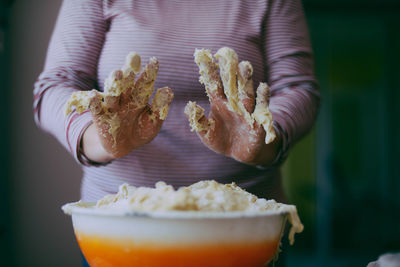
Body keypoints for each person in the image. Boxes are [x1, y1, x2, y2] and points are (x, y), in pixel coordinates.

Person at [34, 0, 318, 255]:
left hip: (243, 231)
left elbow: (297, 88)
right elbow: (55, 86)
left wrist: (264, 138)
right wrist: (99, 138)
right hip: (121, 233)